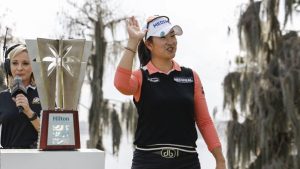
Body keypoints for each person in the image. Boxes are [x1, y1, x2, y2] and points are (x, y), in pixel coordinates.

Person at [114, 15, 226, 169]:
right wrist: (132, 42)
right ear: (149, 44)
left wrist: (220, 160)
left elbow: (204, 121)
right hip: (148, 161)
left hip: (187, 162)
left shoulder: (190, 76)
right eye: (162, 36)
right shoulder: (141, 76)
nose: (170, 41)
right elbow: (121, 84)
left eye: (172, 35)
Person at [0, 44, 41, 148]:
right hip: (7, 160)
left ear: (33, 67)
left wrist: (29, 112)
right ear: (8, 67)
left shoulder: (45, 97)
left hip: (38, 160)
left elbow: (52, 135)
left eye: (25, 63)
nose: (19, 68)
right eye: (14, 63)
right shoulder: (2, 97)